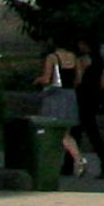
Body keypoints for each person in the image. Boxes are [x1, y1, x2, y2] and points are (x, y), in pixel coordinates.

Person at [35, 42, 85, 186]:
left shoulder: (52, 57)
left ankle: (51, 164)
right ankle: (78, 158)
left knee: (52, 130)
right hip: (70, 95)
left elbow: (46, 78)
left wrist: (38, 80)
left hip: (55, 96)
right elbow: (79, 79)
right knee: (66, 132)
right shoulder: (74, 57)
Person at [73, 38, 104, 181]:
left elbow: (78, 80)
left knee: (90, 133)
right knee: (78, 131)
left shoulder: (85, 60)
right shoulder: (100, 60)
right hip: (93, 98)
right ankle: (69, 165)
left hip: (83, 97)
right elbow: (103, 82)